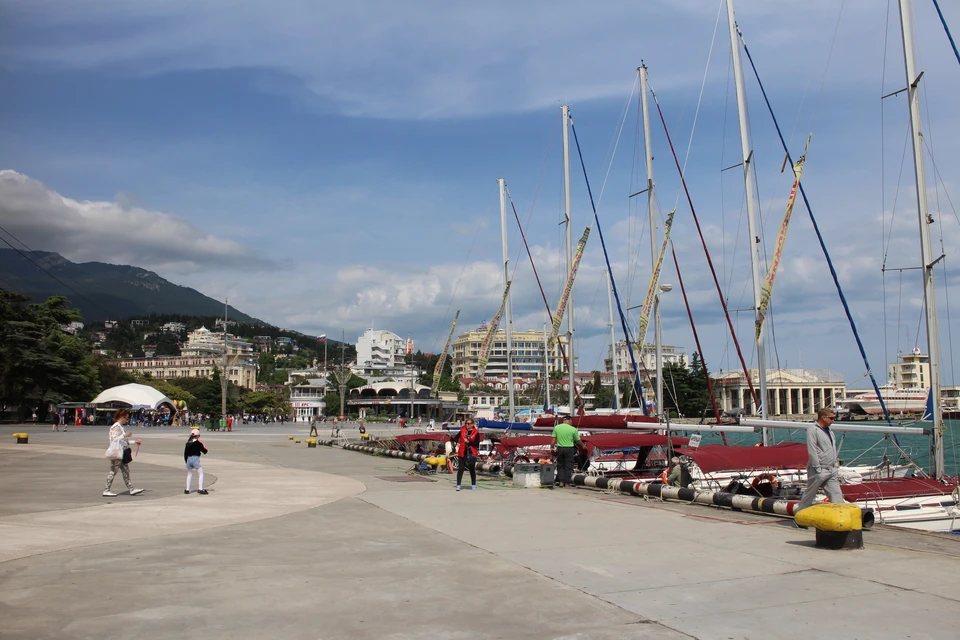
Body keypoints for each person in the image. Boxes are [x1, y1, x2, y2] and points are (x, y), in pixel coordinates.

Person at [797, 407, 845, 511]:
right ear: (823, 418)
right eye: (831, 418)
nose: (833, 420)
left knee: (837, 494)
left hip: (831, 468)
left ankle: (839, 518)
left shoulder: (830, 431)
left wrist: (835, 466)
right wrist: (817, 468)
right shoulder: (813, 429)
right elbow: (812, 449)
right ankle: (799, 514)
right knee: (810, 494)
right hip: (819, 469)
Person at [103, 409, 144, 497]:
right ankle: (106, 490)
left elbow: (124, 441)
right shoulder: (116, 427)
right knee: (113, 471)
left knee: (126, 471)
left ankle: (131, 489)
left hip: (122, 452)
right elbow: (114, 439)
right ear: (122, 417)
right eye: (126, 418)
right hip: (117, 453)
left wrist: (134, 442)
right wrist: (125, 435)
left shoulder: (121, 427)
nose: (127, 420)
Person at [551, 419, 583, 488]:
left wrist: (552, 448)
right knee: (568, 466)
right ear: (569, 421)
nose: (572, 423)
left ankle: (561, 481)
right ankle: (567, 483)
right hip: (569, 449)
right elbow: (578, 440)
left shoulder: (556, 427)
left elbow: (553, 440)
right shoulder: (573, 429)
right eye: (571, 422)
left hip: (560, 448)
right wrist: (583, 445)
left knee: (560, 465)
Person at [455, 419, 481, 491]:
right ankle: (458, 485)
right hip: (462, 452)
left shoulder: (476, 433)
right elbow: (456, 438)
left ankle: (473, 485)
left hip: (471, 452)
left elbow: (477, 444)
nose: (467, 425)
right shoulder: (462, 431)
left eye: (469, 423)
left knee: (471, 469)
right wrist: (454, 440)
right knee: (460, 469)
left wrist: (469, 442)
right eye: (466, 423)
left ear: (472, 424)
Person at [184, 429, 209, 495]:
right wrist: (204, 446)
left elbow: (185, 453)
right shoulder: (198, 443)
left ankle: (187, 489)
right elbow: (205, 451)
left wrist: (186, 461)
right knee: (201, 473)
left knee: (189, 474)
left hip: (188, 459)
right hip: (195, 459)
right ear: (197, 435)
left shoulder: (188, 443)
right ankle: (200, 489)